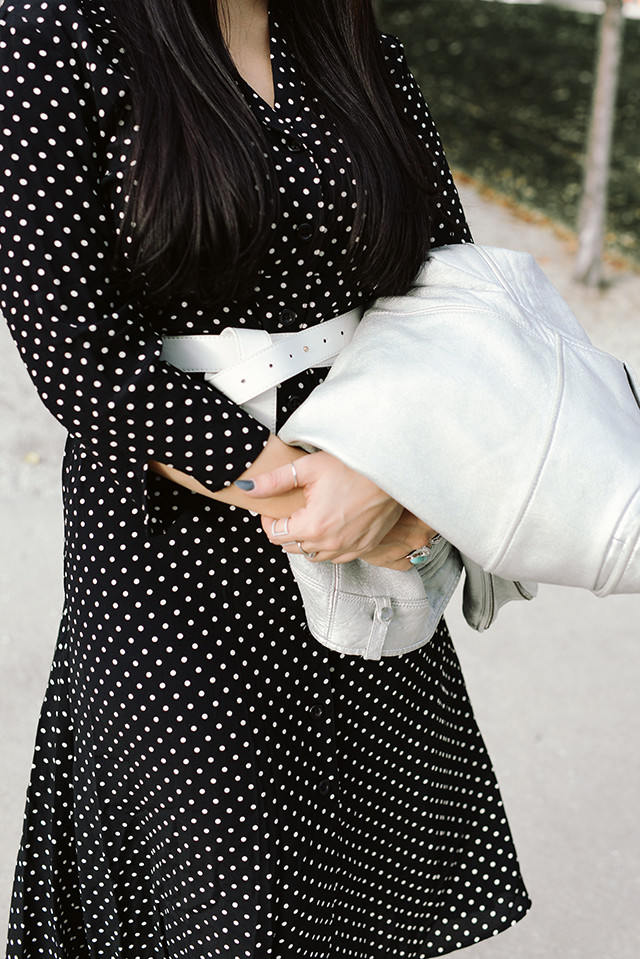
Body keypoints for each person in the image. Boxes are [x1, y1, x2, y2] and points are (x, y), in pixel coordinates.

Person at [0, 0, 531, 955]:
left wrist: (394, 492)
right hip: (178, 572)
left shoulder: (345, 34)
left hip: (371, 546)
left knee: (363, 897)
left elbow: (453, 285)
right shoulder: (52, 30)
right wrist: (309, 491)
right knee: (216, 907)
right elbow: (75, 343)